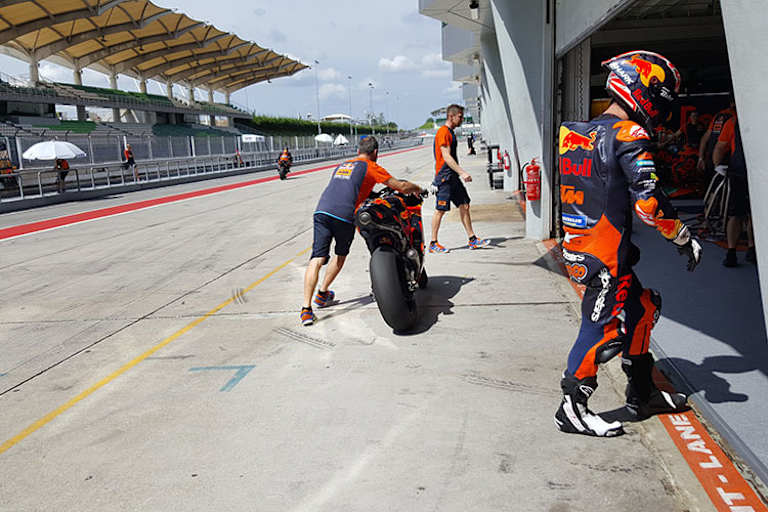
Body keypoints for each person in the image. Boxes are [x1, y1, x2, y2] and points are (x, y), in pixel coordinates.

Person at [554, 51, 702, 437]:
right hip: (605, 255)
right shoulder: (628, 135)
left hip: (580, 242)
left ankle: (642, 392)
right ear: (646, 90)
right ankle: (571, 407)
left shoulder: (574, 132)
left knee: (641, 307)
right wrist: (682, 237)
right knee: (600, 330)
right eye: (662, 97)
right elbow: (649, 204)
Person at [301, 136, 423, 326]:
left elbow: (349, 187)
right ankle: (322, 292)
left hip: (321, 211)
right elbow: (401, 186)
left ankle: (307, 309)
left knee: (316, 259)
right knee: (340, 256)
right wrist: (418, 188)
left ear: (359, 151)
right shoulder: (371, 166)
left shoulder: (343, 165)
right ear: (375, 153)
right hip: (344, 215)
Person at [429, 104, 489, 253]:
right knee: (440, 210)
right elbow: (446, 156)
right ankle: (433, 243)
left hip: (453, 177)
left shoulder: (451, 132)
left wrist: (458, 174)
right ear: (451, 116)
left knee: (464, 204)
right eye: (460, 116)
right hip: (444, 178)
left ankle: (472, 239)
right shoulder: (443, 133)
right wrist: (462, 172)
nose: (462, 119)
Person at [713, 113, 755, 267]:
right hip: (752, 172)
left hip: (739, 172)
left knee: (736, 214)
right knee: (753, 213)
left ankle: (733, 252)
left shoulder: (732, 122)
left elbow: (720, 146)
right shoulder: (734, 122)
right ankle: (750, 248)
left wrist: (718, 166)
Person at [697, 95, 736, 174]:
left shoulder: (718, 116)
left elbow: (705, 138)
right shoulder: (735, 117)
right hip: (725, 160)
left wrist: (701, 158)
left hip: (712, 158)